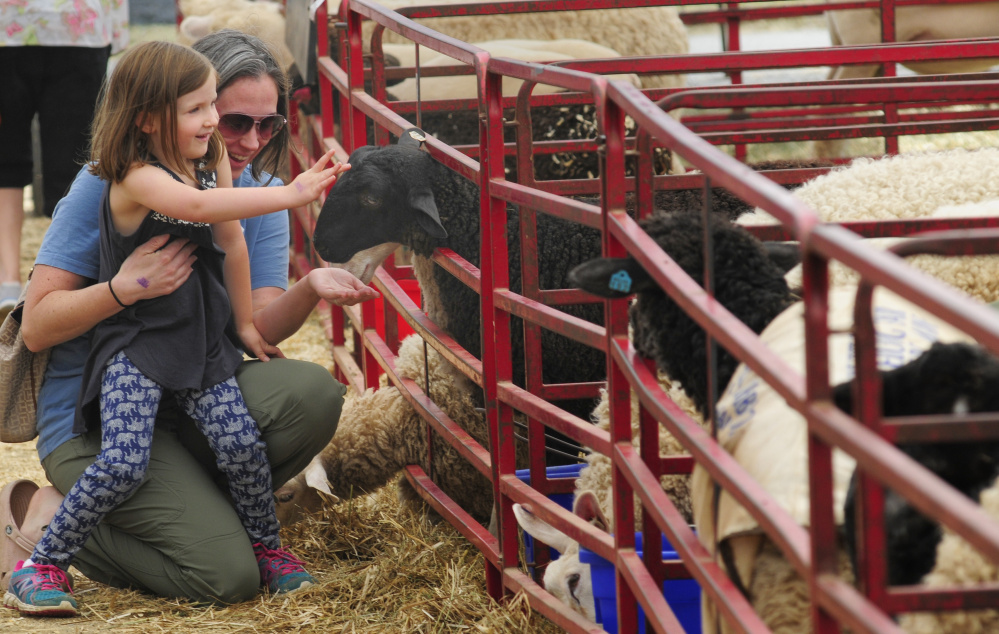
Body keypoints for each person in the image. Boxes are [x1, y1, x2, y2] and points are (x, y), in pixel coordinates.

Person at [2, 29, 378, 610]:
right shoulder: (126, 174)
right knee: (146, 489)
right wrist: (125, 288)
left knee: (251, 437)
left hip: (194, 357)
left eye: (269, 125)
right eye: (218, 116)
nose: (247, 138)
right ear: (150, 118)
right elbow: (199, 209)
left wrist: (276, 308)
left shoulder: (230, 172)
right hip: (129, 362)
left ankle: (261, 542)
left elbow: (230, 241)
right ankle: (45, 550)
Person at [0, 0, 129, 318]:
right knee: (11, 163)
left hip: (77, 27)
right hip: (67, 27)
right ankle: (10, 282)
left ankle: (48, 280)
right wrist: (116, 31)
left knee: (77, 168)